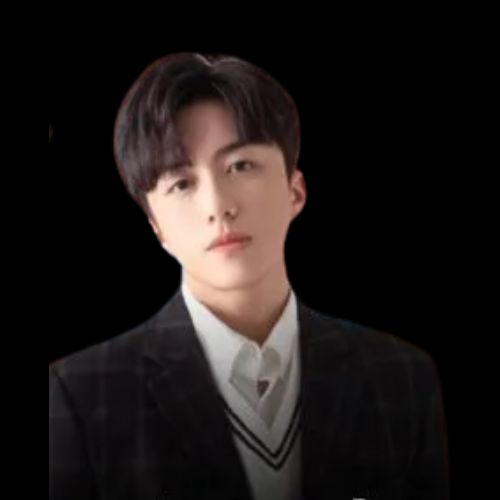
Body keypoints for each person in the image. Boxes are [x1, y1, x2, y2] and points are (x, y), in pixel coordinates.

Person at [49, 52, 449, 500]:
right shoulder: (81, 396)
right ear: (156, 227)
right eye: (181, 183)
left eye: (240, 166)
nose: (218, 206)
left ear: (295, 190)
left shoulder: (400, 376)